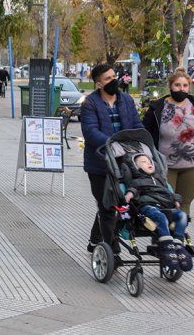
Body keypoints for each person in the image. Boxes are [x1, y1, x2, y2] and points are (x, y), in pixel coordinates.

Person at [80, 64, 144, 257]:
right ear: (99, 84)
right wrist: (112, 144)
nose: (113, 80)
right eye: (108, 79)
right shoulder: (90, 103)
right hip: (100, 164)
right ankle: (112, 252)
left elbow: (135, 124)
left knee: (112, 205)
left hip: (125, 162)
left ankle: (94, 241)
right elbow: (91, 132)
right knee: (107, 207)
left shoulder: (126, 100)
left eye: (114, 76)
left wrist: (141, 140)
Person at [142, 69, 194, 215]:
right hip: (165, 165)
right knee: (166, 204)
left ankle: (179, 235)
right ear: (170, 86)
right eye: (177, 85)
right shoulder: (157, 108)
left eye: (185, 85)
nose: (181, 89)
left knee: (184, 205)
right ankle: (166, 236)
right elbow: (145, 134)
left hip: (193, 165)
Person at [122, 154, 193, 271]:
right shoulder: (137, 181)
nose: (149, 163)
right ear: (135, 167)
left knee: (182, 215)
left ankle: (178, 243)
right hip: (148, 207)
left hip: (164, 207)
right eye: (143, 162)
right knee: (160, 216)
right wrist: (129, 195)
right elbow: (133, 190)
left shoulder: (160, 180)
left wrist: (176, 198)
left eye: (150, 161)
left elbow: (168, 192)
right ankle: (166, 245)